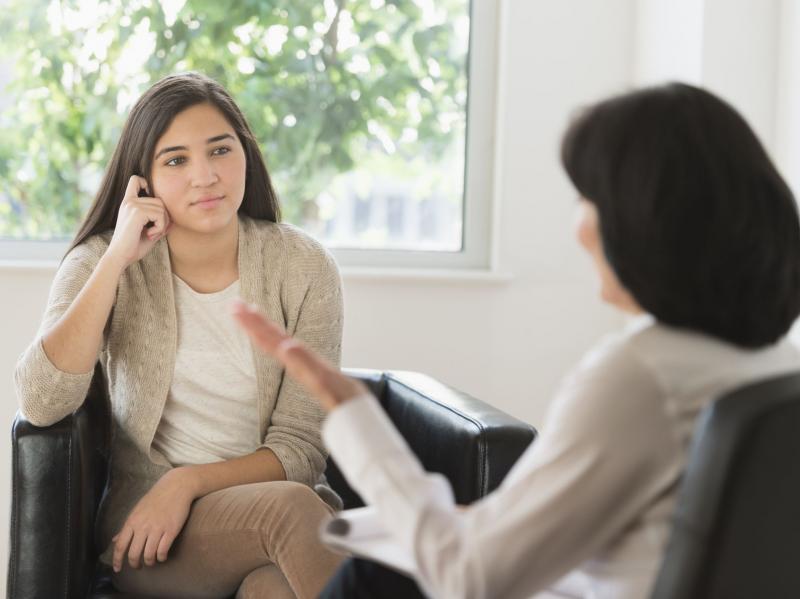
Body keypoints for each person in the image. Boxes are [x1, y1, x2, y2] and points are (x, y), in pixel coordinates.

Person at [232, 82, 800, 599]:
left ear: (644, 220)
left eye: (588, 199)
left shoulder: (641, 375)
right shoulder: (775, 361)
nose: (580, 228)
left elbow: (468, 579)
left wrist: (353, 413)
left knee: (375, 575)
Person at [14, 72, 344, 599]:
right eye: (175, 160)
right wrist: (116, 260)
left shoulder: (303, 266)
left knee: (275, 589)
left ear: (246, 154)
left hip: (274, 515)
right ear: (141, 180)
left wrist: (187, 482)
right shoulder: (102, 261)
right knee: (290, 510)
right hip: (155, 537)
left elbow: (302, 447)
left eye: (220, 150)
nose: (205, 176)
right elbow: (42, 401)